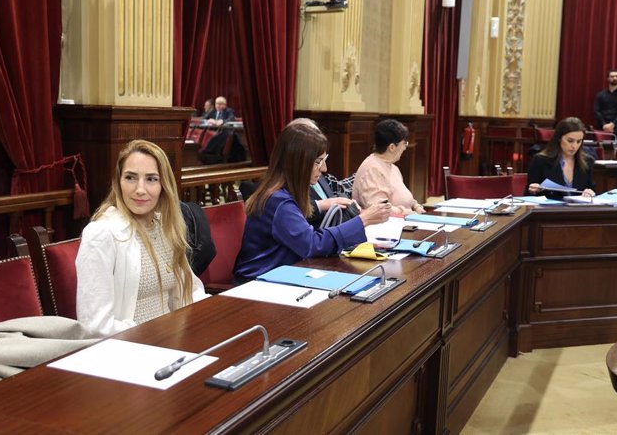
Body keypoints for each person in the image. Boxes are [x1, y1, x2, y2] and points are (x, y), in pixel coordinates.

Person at [76, 140, 208, 337]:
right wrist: (158, 332)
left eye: (151, 179)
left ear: (164, 185)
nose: (140, 189)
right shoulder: (101, 234)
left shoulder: (165, 226)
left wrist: (226, 309)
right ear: (118, 182)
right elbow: (95, 326)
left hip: (173, 340)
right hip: (130, 347)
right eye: (130, 177)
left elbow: (191, 293)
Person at [233, 119, 391, 283]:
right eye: (318, 162)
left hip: (284, 274)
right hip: (258, 285)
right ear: (298, 163)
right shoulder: (277, 201)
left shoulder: (285, 192)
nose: (324, 169)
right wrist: (364, 220)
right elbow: (312, 244)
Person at [352, 119, 426, 216]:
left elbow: (405, 198)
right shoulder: (372, 170)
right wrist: (408, 213)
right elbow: (380, 208)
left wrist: (416, 206)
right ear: (392, 147)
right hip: (386, 226)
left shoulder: (393, 167)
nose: (405, 148)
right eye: (404, 143)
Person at [526, 117, 596, 199]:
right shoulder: (541, 160)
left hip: (578, 209)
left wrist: (591, 193)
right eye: (570, 141)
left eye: (578, 141)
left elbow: (592, 190)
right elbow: (528, 194)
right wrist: (533, 190)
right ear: (559, 138)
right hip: (550, 210)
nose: (574, 146)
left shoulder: (587, 162)